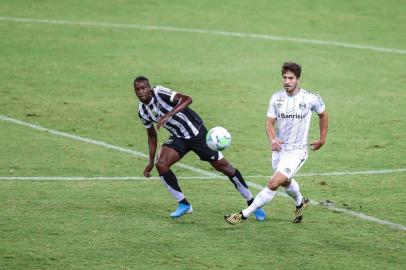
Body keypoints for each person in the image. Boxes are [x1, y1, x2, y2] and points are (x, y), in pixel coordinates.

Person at [133, 76, 266, 220]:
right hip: (178, 137)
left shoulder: (159, 92)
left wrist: (168, 115)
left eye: (143, 88)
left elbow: (187, 99)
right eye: (137, 89)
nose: (141, 91)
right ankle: (184, 204)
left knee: (225, 168)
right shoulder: (142, 112)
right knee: (161, 164)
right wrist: (150, 161)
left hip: (197, 133)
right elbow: (152, 136)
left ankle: (253, 203)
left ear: (149, 88)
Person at [225, 62, 328, 224]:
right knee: (285, 182)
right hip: (279, 150)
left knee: (274, 183)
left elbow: (323, 115)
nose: (287, 81)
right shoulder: (276, 98)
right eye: (284, 77)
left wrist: (322, 138)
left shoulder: (310, 98)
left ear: (298, 79)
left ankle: (243, 214)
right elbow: (269, 123)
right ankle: (301, 203)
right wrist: (273, 139)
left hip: (297, 152)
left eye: (291, 78)